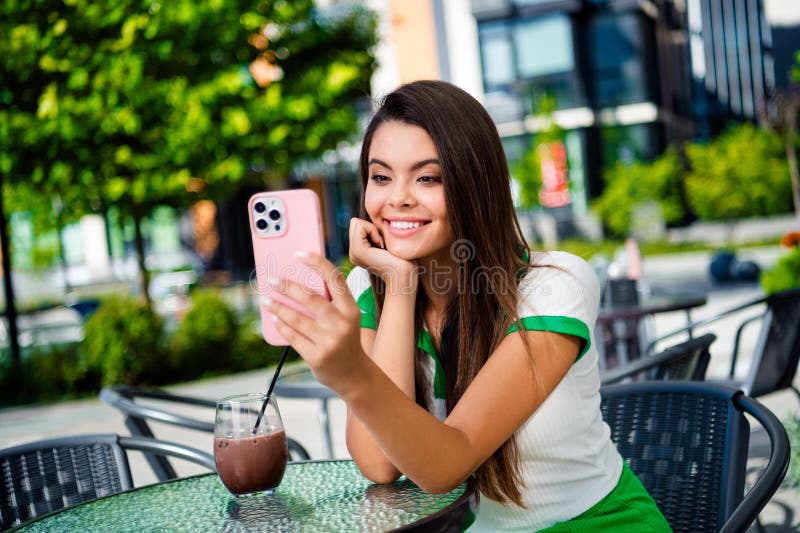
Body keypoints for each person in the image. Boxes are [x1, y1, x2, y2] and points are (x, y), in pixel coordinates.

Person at [263, 80, 670, 531]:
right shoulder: (372, 284)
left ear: (474, 185)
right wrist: (399, 287)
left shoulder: (554, 284)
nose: (397, 197)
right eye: (381, 177)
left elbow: (444, 466)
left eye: (428, 178)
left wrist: (349, 371)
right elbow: (379, 465)